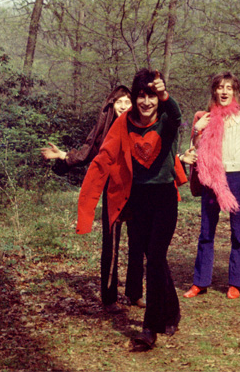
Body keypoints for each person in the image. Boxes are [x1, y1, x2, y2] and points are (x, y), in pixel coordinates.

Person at [76, 69, 182, 350]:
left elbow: (177, 116)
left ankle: (149, 328)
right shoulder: (124, 122)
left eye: (152, 96)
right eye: (141, 96)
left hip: (164, 197)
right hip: (137, 199)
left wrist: (165, 95)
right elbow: (104, 158)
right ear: (135, 98)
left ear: (159, 98)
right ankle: (172, 310)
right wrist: (86, 207)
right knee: (155, 258)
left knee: (155, 257)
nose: (146, 102)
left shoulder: (166, 119)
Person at [40, 86, 147, 312]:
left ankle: (135, 293)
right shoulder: (105, 130)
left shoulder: (140, 126)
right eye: (119, 102)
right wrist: (63, 155)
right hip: (113, 190)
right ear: (112, 105)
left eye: (127, 102)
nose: (124, 106)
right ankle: (109, 298)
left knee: (138, 241)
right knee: (111, 243)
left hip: (137, 189)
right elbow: (88, 153)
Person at [183, 72, 240, 300]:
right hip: (212, 177)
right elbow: (195, 148)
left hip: (237, 177)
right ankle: (200, 282)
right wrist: (197, 129)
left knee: (238, 232)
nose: (224, 91)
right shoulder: (204, 118)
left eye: (229, 87)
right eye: (220, 87)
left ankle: (236, 282)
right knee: (206, 231)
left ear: (235, 91)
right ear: (214, 91)